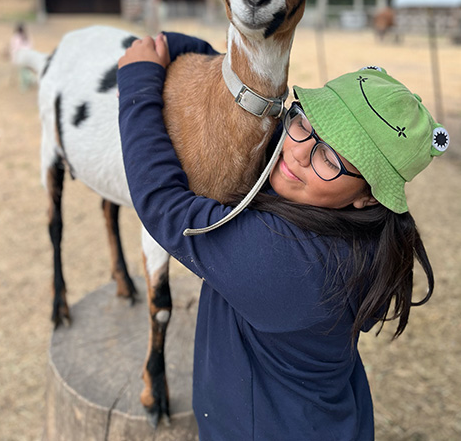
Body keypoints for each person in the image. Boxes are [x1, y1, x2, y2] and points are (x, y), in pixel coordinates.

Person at [117, 32, 449, 441]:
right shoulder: (356, 231)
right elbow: (244, 102)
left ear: (368, 197)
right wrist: (178, 45)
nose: (298, 153)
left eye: (330, 157)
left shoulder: (291, 262)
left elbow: (164, 206)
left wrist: (137, 79)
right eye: (305, 123)